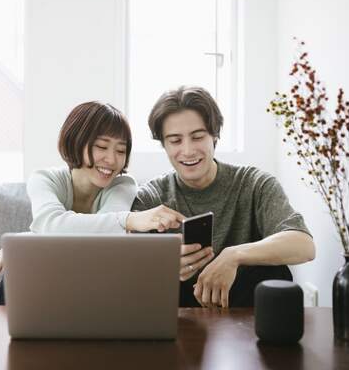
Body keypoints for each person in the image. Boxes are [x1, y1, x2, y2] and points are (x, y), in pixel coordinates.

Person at [132, 86, 315, 308]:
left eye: (198, 137)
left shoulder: (254, 183)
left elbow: (304, 245)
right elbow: (124, 268)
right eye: (175, 140)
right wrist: (164, 265)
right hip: (179, 317)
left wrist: (234, 255)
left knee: (274, 273)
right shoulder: (151, 196)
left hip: (243, 313)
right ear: (164, 144)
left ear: (214, 135)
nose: (188, 150)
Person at [0, 101, 185, 300]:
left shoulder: (122, 185)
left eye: (120, 151)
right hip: (42, 289)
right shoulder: (44, 179)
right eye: (101, 146)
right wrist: (130, 219)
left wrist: (25, 241)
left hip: (90, 292)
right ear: (76, 142)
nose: (112, 160)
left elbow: (98, 243)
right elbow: (51, 225)